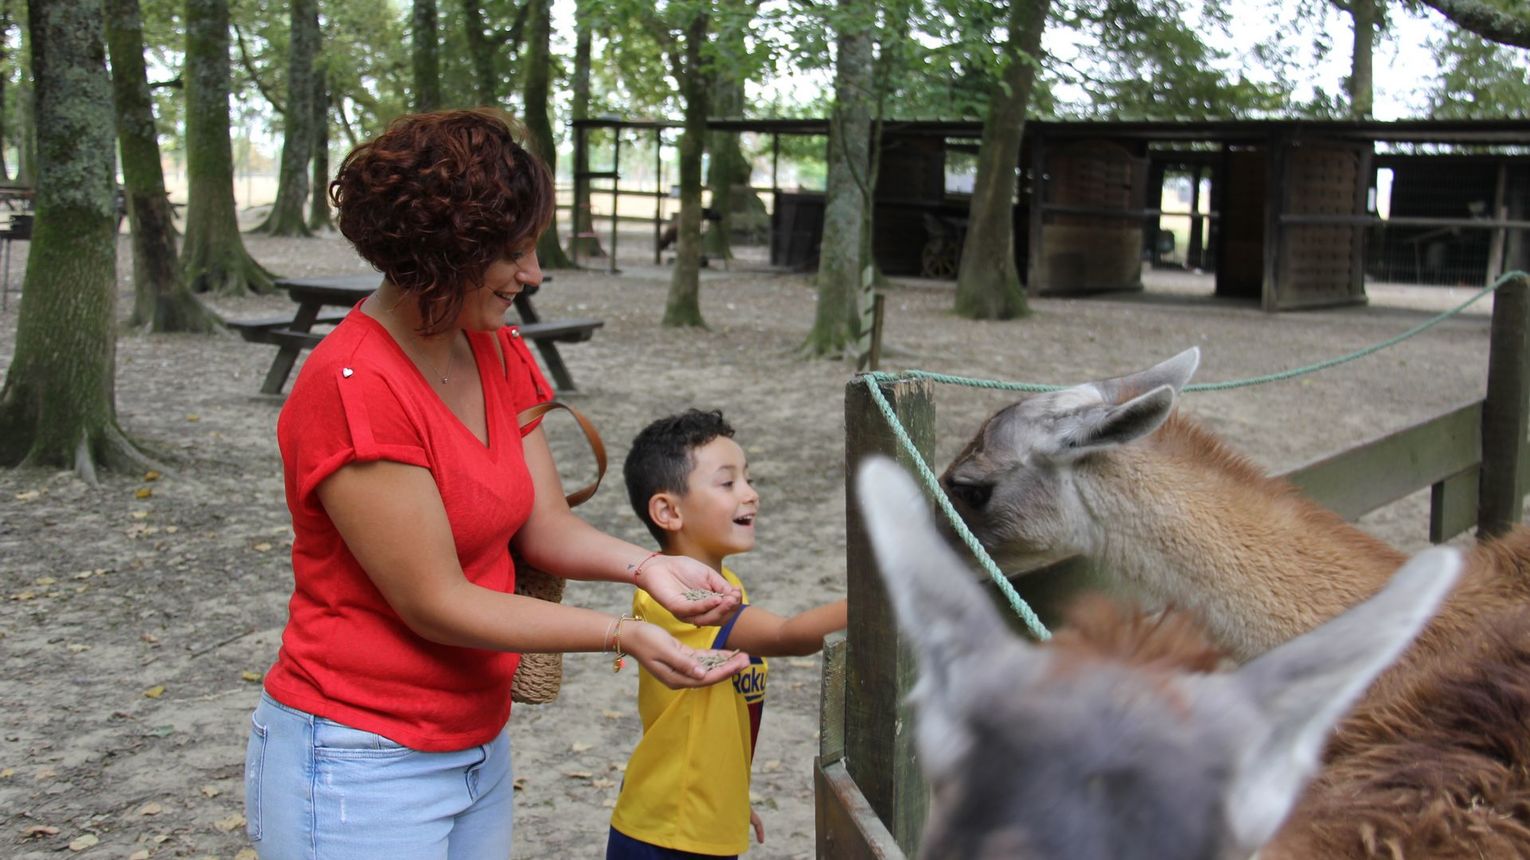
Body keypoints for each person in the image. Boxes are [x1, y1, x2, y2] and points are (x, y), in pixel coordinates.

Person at [242, 108, 750, 860]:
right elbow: (436, 602)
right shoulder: (355, 386)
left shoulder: (494, 350)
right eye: (512, 252)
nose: (534, 275)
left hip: (476, 742)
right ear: (441, 251)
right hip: (360, 757)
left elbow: (542, 524)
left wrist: (647, 566)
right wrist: (623, 633)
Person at [606, 409, 848, 858]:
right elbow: (786, 636)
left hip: (701, 818)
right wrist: (881, 595)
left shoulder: (729, 583)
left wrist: (731, 798)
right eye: (728, 482)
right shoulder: (674, 598)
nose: (751, 494)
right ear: (668, 511)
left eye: (748, 479)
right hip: (667, 826)